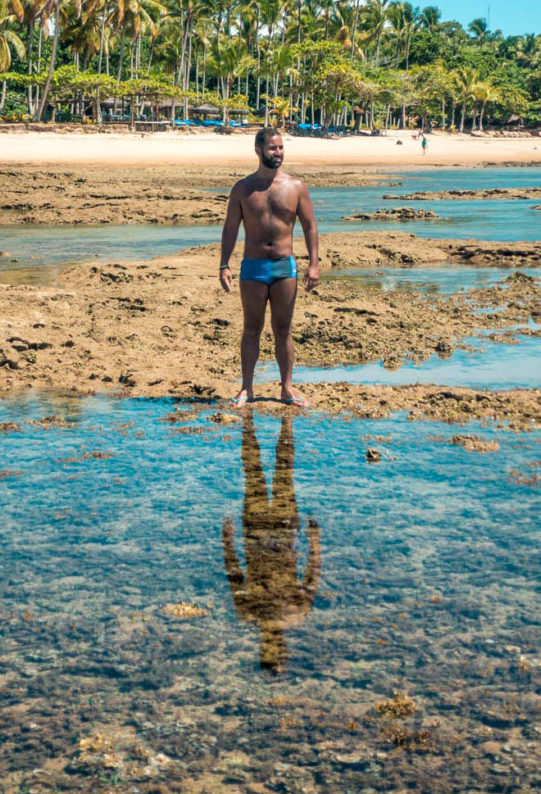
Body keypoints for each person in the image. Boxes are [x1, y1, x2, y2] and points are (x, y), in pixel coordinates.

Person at [219, 127, 319, 408]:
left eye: (281, 147)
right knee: (251, 328)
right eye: (273, 148)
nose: (278, 153)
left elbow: (310, 227)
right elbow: (230, 228)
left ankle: (286, 388)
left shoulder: (296, 186)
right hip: (252, 267)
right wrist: (224, 264)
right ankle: (246, 388)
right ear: (258, 150)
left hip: (284, 267)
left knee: (283, 329)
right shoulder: (243, 188)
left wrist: (314, 264)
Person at [222, 413, 321, 672]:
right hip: (286, 534)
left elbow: (234, 575)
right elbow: (312, 577)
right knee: (284, 472)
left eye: (269, 653)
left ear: (262, 649)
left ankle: (249, 423)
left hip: (254, 534)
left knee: (252, 471)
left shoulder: (248, 614)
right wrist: (315, 543)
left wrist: (227, 542)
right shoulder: (298, 614)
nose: (272, 648)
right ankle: (282, 423)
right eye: (277, 652)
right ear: (283, 648)